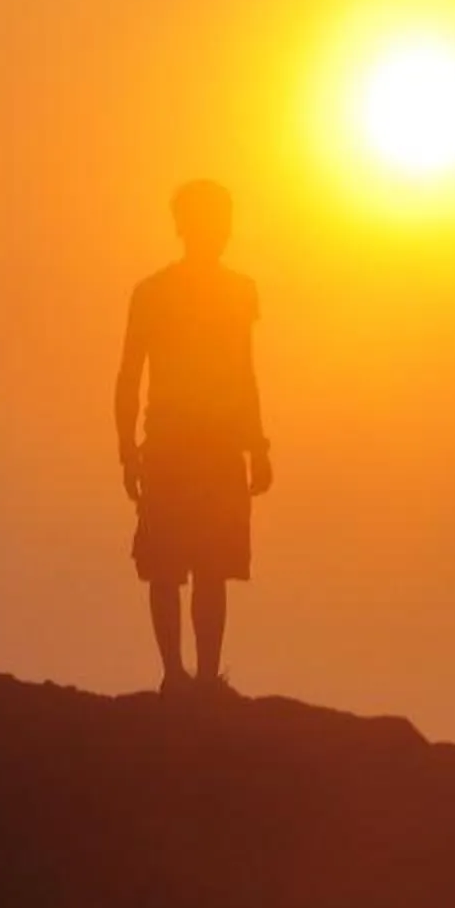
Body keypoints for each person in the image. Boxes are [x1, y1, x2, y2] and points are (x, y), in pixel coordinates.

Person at [114, 179, 271, 694]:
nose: (216, 231)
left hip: (217, 444)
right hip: (169, 444)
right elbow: (129, 374)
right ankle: (176, 675)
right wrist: (126, 451)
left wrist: (258, 445)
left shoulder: (237, 290)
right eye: (207, 220)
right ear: (183, 225)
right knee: (168, 566)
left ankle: (202, 677)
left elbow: (244, 371)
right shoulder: (152, 292)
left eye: (221, 221)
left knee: (212, 565)